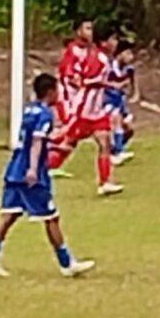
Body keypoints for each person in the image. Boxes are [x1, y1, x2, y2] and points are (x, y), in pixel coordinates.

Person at [0, 73, 93, 278]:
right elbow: (36, 142)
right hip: (30, 175)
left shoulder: (29, 110)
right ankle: (67, 264)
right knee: (51, 218)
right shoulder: (45, 114)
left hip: (14, 170)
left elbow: (34, 139)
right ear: (50, 92)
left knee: (9, 216)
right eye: (57, 90)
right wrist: (33, 168)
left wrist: (53, 143)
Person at [49, 23, 121, 196]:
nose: (116, 43)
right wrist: (109, 84)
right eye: (113, 39)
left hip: (96, 111)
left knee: (104, 143)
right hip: (84, 109)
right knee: (67, 143)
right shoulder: (99, 59)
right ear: (104, 42)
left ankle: (105, 183)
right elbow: (86, 80)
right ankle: (38, 167)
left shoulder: (101, 57)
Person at [105, 38, 139, 164]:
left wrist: (135, 93)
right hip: (108, 99)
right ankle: (118, 152)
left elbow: (133, 80)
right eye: (128, 53)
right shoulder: (109, 67)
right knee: (117, 122)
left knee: (129, 129)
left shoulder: (129, 69)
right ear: (120, 53)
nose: (131, 56)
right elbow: (101, 82)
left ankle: (114, 150)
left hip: (120, 100)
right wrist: (113, 85)